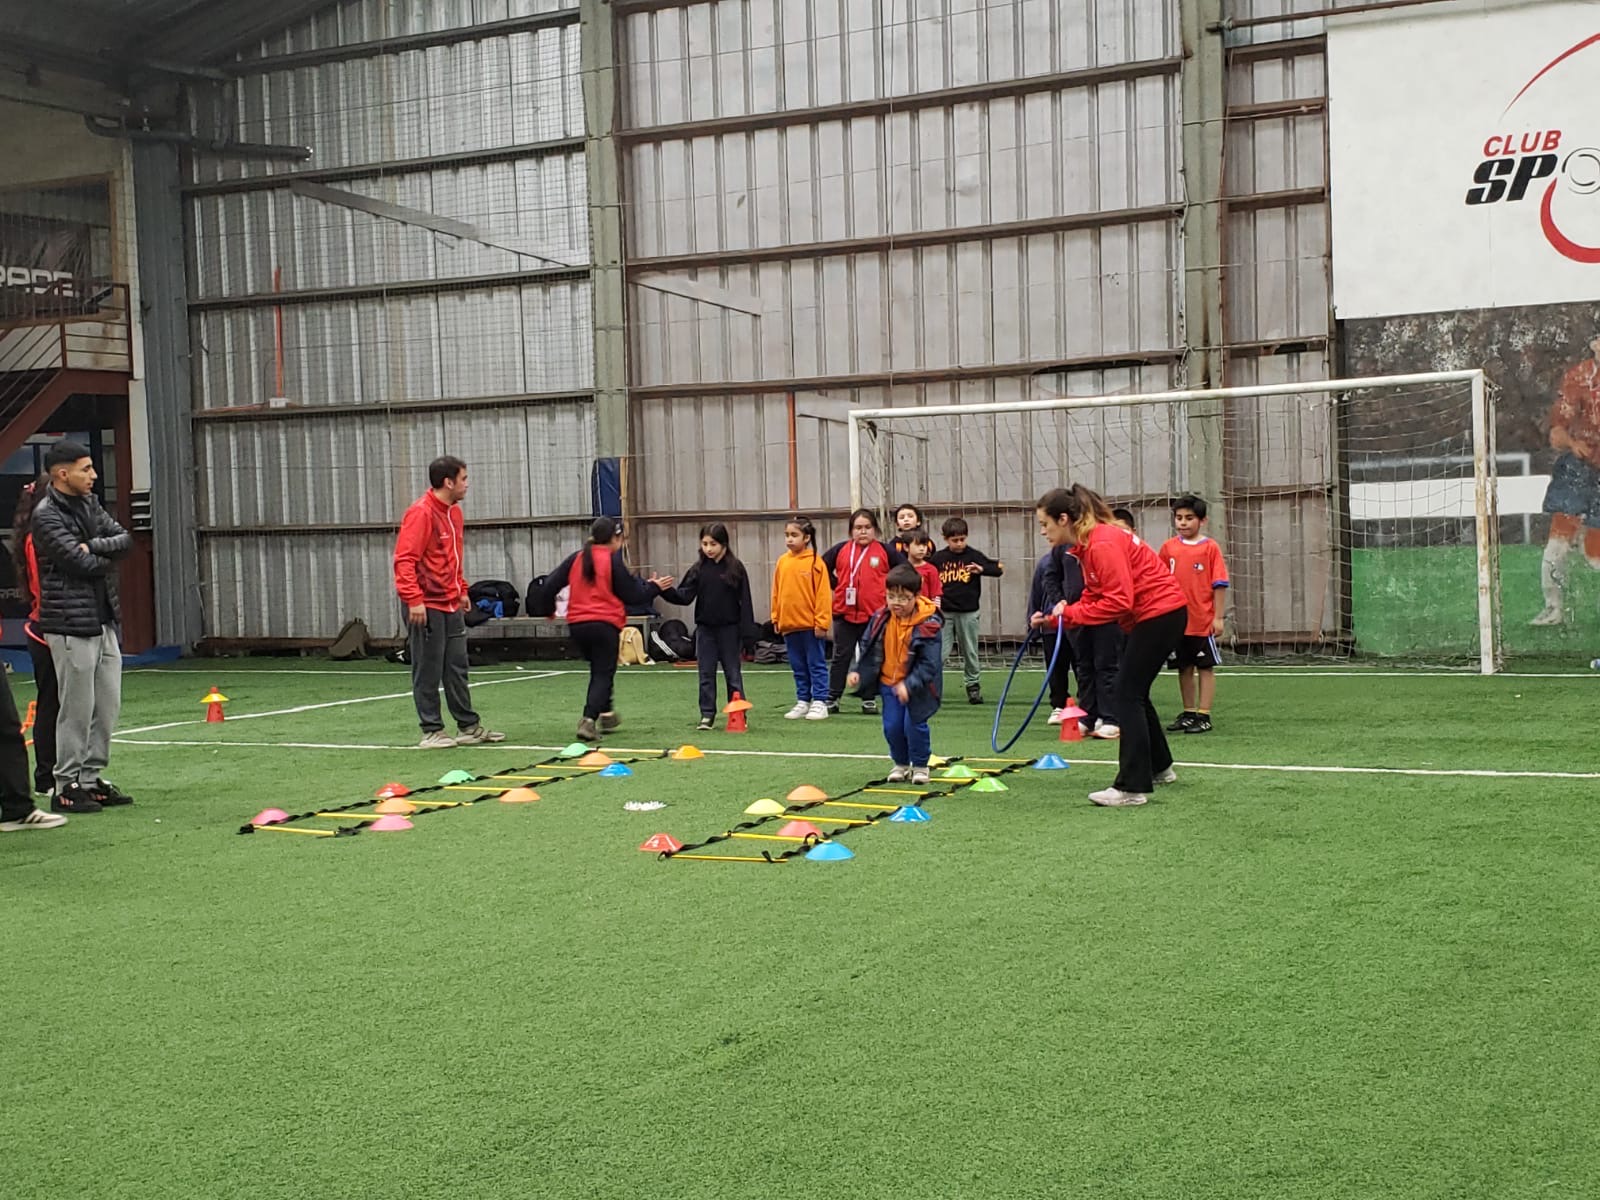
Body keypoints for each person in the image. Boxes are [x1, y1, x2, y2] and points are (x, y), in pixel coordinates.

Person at [1034, 484, 1188, 808]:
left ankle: (1131, 788)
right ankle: (1159, 767)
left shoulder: (1101, 543)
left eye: (1045, 524)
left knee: (1125, 694)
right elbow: (1095, 595)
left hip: (1159, 615)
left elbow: (1118, 601)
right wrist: (1056, 618)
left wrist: (1071, 614)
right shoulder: (1090, 543)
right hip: (1158, 615)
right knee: (1134, 691)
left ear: (1063, 519)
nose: (1043, 531)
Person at [31, 440, 133, 814]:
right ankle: (65, 784)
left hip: (102, 618)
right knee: (76, 707)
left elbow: (125, 540)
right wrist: (101, 555)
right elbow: (78, 563)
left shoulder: (90, 504)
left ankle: (90, 778)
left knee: (107, 704)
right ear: (63, 474)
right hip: (69, 623)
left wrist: (94, 546)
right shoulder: (45, 515)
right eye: (85, 468)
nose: (93, 475)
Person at [393, 456, 505, 750]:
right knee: (427, 668)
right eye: (464, 478)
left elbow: (452, 556)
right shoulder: (421, 513)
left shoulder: (454, 513)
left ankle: (468, 726)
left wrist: (462, 589)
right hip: (425, 605)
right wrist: (414, 600)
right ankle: (431, 730)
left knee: (456, 666)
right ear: (448, 482)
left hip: (451, 602)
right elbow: (405, 560)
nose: (467, 484)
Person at [534, 517, 672, 742]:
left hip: (577, 626)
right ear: (615, 538)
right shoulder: (612, 561)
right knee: (602, 673)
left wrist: (549, 610)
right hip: (604, 625)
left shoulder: (577, 558)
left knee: (600, 669)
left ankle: (607, 713)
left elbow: (549, 585)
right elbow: (633, 595)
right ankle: (589, 720)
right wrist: (654, 587)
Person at [847, 563, 944, 785]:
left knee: (914, 725)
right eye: (891, 596)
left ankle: (920, 765)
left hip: (919, 687)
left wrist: (908, 685)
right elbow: (866, 644)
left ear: (916, 597)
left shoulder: (929, 624)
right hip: (888, 683)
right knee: (892, 726)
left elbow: (929, 664)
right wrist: (857, 670)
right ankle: (900, 763)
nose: (896, 603)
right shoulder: (881, 617)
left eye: (903, 598)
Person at [661, 523, 755, 731]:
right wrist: (663, 590)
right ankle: (707, 715)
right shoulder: (698, 569)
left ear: (724, 544)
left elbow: (745, 602)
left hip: (730, 630)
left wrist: (748, 634)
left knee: (733, 674)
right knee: (705, 674)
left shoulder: (736, 568)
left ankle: (738, 713)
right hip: (705, 631)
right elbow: (684, 596)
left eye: (713, 544)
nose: (708, 548)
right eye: (704, 544)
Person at [1533, 334, 1600, 625]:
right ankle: (1553, 607)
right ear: (1595, 345)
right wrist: (1573, 443)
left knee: (1595, 553)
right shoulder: (1579, 378)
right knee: (1558, 540)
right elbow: (1556, 434)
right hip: (1580, 468)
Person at [1160, 494, 1229, 734]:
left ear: (1202, 520)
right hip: (1177, 621)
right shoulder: (1168, 548)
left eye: (1189, 518)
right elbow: (1159, 580)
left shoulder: (1210, 548)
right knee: (1184, 667)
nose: (1183, 522)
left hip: (1202, 621)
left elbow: (1219, 584)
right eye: (1179, 517)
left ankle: (1204, 714)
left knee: (1205, 667)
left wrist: (1218, 617)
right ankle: (1188, 712)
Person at [822, 509, 903, 714]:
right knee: (841, 656)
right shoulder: (840, 549)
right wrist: (837, 585)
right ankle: (833, 697)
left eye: (867, 527)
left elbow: (904, 570)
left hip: (874, 616)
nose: (863, 531)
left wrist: (890, 593)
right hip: (844, 613)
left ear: (875, 530)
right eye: (858, 528)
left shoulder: (885, 551)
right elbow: (820, 567)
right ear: (851, 531)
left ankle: (868, 698)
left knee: (872, 658)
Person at [12, 477, 58, 794]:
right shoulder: (36, 539)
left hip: (50, 624)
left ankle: (62, 774)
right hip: (47, 629)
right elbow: (42, 589)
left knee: (60, 704)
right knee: (51, 703)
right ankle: (46, 776)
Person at [931, 516, 1004, 704]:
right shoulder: (938, 558)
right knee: (940, 652)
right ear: (945, 539)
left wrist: (982, 569)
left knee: (970, 651)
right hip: (944, 613)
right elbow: (927, 575)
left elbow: (998, 568)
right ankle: (932, 686)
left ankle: (973, 685)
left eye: (962, 539)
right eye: (954, 540)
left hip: (968, 612)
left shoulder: (973, 555)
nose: (959, 544)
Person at [771, 517, 833, 721]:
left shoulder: (815, 562)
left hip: (810, 626)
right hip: (789, 625)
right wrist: (776, 617)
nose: (789, 539)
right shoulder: (782, 561)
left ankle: (820, 701)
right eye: (787, 535)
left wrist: (822, 622)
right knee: (798, 665)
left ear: (806, 538)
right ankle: (803, 700)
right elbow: (776, 591)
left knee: (816, 664)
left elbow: (823, 595)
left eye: (794, 535)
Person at [903, 529, 943, 606]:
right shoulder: (900, 569)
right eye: (917, 545)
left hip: (926, 610)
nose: (922, 549)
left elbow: (935, 596)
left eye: (924, 545)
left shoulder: (931, 570)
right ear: (906, 547)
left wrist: (936, 611)